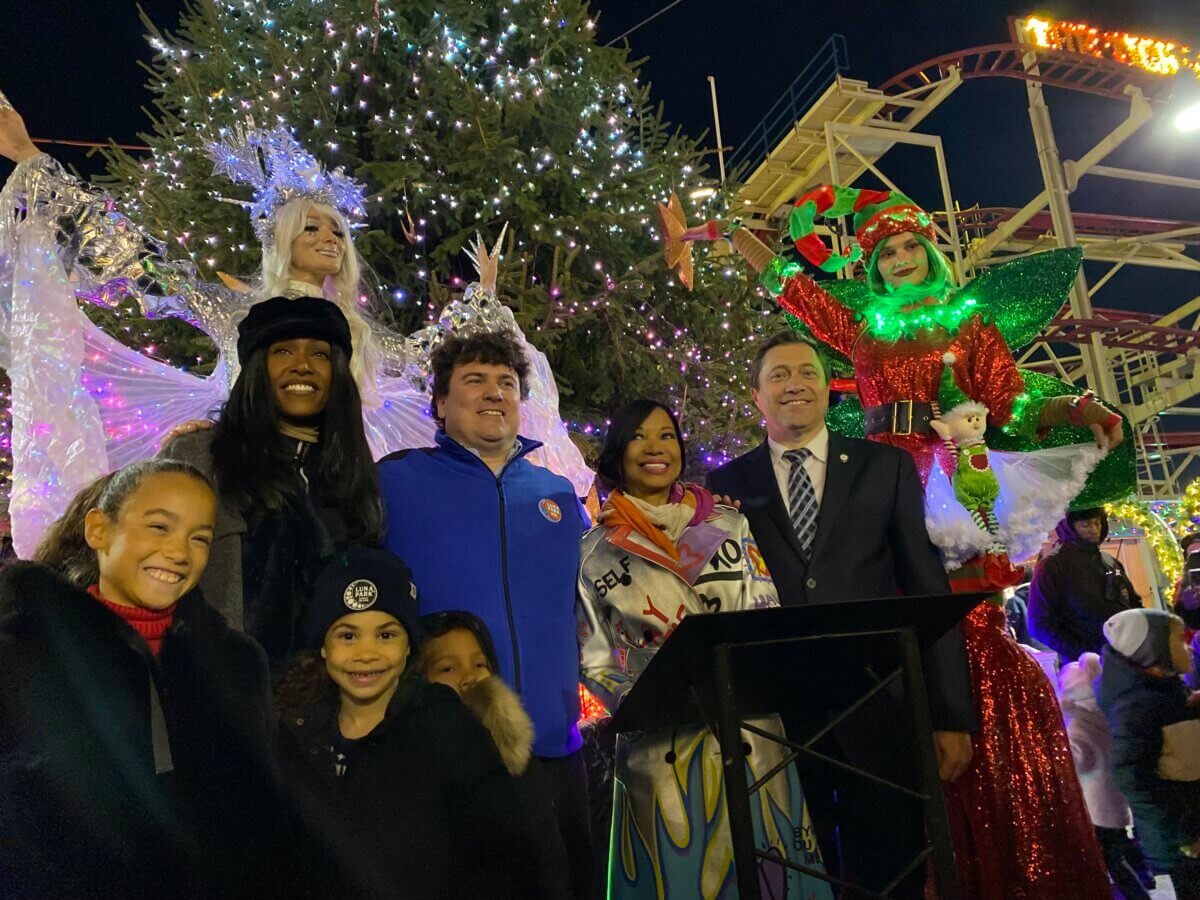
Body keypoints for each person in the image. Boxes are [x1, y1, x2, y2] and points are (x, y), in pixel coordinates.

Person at [0, 102, 592, 557]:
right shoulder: (241, 312)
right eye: (312, 229)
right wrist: (31, 158)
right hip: (255, 472)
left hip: (343, 466)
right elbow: (145, 265)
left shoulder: (360, 334)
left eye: (336, 230)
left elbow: (424, 354)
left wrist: (482, 298)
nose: (330, 239)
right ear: (284, 240)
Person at [706, 330, 975, 898]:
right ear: (756, 394)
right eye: (778, 375)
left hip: (878, 708)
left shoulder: (886, 467)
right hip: (774, 721)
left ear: (830, 387)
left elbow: (927, 588)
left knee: (893, 868)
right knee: (800, 876)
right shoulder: (724, 486)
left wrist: (950, 713)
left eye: (806, 372)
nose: (794, 384)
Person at [576, 399, 831, 899]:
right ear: (617, 454)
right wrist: (648, 702)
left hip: (752, 731)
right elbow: (594, 657)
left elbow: (766, 607)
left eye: (667, 435)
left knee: (772, 875)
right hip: (664, 747)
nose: (656, 448)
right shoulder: (593, 551)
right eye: (639, 437)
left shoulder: (730, 525)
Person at [377, 329, 595, 898]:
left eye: (507, 383)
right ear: (442, 404)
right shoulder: (394, 481)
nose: (494, 392)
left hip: (554, 748)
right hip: (445, 748)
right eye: (474, 380)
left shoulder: (557, 492)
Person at [0, 460, 284, 896]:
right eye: (159, 527)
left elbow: (259, 824)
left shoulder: (236, 665)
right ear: (99, 530)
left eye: (200, 538)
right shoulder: (26, 648)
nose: (179, 551)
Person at [275, 547, 540, 898]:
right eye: (347, 635)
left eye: (386, 635)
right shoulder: (296, 733)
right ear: (323, 646)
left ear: (408, 647)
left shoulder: (447, 729)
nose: (366, 653)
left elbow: (508, 857)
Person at [160, 296, 381, 663]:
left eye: (320, 355)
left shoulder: (355, 476)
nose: (302, 367)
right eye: (283, 352)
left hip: (326, 700)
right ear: (257, 368)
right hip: (220, 691)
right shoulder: (199, 456)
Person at [419, 609, 571, 900]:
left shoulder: (517, 759)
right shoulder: (418, 761)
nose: (469, 678)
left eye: (479, 664)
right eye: (447, 669)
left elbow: (549, 859)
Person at [1097, 608, 1200, 899]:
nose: (1189, 645)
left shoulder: (1167, 691)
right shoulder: (1137, 708)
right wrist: (1184, 831)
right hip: (1181, 844)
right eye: (1179, 641)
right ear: (1154, 653)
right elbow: (1133, 776)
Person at [1058, 653, 1152, 900]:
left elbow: (1080, 760)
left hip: (1095, 808)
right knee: (1119, 849)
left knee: (1112, 858)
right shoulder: (1103, 715)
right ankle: (1143, 879)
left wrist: (1057, 757)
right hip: (1113, 802)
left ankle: (1136, 893)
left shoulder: (1077, 726)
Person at [1028, 508, 1142, 663]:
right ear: (1070, 527)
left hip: (1127, 657)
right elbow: (1038, 624)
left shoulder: (1110, 562)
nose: (1094, 530)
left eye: (1097, 523)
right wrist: (1084, 654)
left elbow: (1133, 604)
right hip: (1085, 666)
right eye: (1085, 525)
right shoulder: (1052, 565)